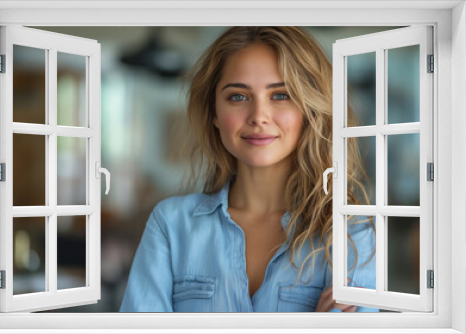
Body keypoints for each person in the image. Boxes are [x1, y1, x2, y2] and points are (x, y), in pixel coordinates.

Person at [119, 26, 377, 312]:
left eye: (281, 95)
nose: (258, 117)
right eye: (238, 97)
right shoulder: (170, 225)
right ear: (214, 113)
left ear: (310, 110)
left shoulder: (349, 233)